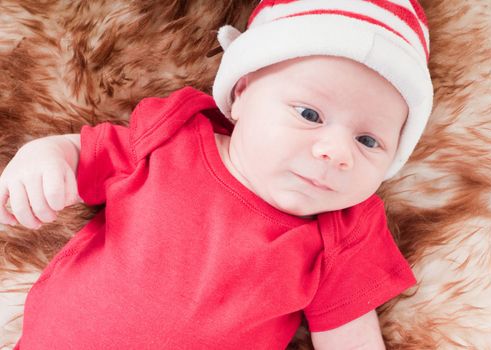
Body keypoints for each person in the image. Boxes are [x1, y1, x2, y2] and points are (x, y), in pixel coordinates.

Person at [0, 0, 433, 349]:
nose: (338, 153)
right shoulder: (171, 137)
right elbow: (84, 152)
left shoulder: (344, 232)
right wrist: (45, 155)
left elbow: (350, 338)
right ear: (241, 94)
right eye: (309, 114)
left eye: (369, 142)